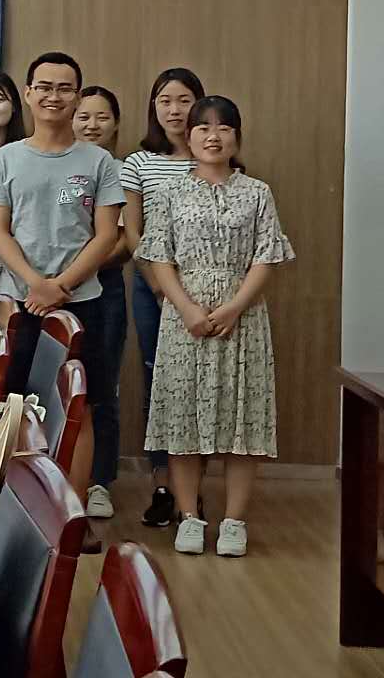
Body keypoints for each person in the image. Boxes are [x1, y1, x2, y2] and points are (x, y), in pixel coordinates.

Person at [138, 96, 293, 558]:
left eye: (224, 128)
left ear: (237, 138)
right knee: (183, 417)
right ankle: (189, 517)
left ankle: (234, 521)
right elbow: (159, 257)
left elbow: (267, 256)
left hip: (243, 318)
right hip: (182, 318)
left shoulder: (258, 192)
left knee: (243, 419)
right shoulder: (169, 193)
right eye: (203, 127)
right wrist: (185, 307)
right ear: (188, 137)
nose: (213, 135)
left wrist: (234, 308)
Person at [0, 52, 124, 428]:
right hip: (19, 300)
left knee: (79, 408)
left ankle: (73, 476)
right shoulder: (5, 159)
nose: (54, 96)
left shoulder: (99, 161)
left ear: (77, 97)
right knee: (12, 407)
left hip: (82, 301)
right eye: (44, 87)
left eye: (64, 89)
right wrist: (37, 285)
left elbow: (106, 235)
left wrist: (60, 286)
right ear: (28, 93)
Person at [121, 66, 206, 527]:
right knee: (159, 382)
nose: (174, 110)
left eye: (184, 100)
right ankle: (161, 485)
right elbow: (133, 230)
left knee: (201, 387)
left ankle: (192, 490)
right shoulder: (139, 163)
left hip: (205, 288)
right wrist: (156, 281)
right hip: (151, 284)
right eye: (165, 101)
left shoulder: (212, 157)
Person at [71, 85, 132, 521]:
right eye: (84, 116)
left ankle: (99, 481)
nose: (91, 125)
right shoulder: (56, 162)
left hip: (102, 286)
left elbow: (124, 241)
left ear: (116, 124)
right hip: (51, 288)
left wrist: (78, 268)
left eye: (101, 117)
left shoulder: (120, 170)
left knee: (101, 386)